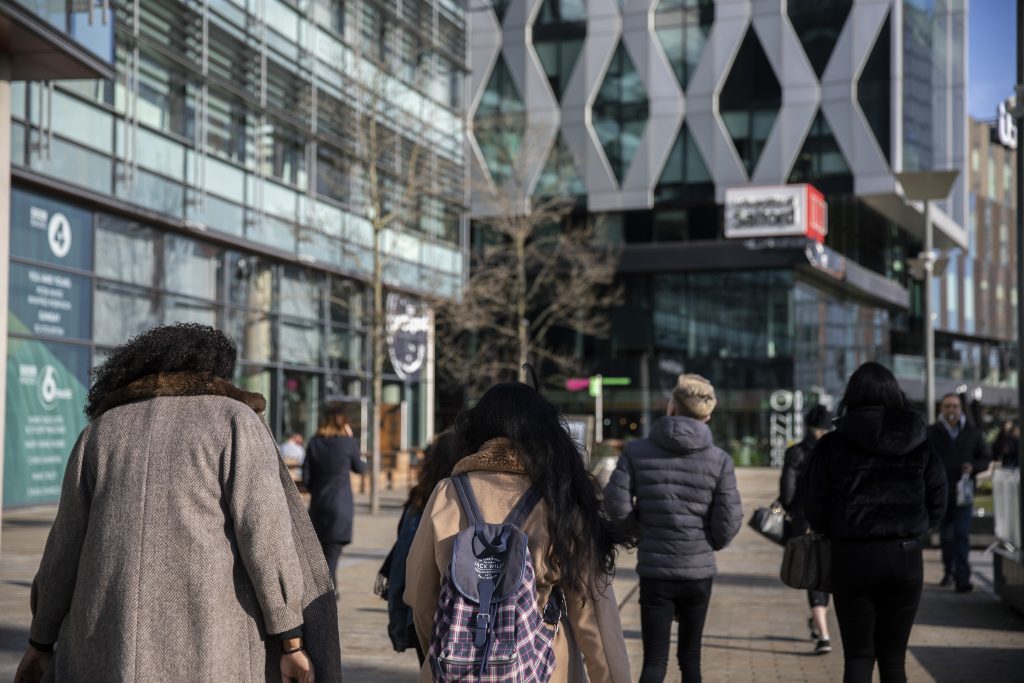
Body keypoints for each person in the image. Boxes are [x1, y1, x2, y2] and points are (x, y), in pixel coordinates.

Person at [13, 323, 340, 683]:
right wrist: (291, 640)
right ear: (213, 372)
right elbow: (266, 540)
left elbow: (62, 550)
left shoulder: (100, 431)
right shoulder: (234, 421)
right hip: (211, 649)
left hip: (103, 649)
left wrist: (39, 642)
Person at [404, 382, 633, 683]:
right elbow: (592, 618)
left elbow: (422, 595)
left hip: (457, 669)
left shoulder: (447, 493)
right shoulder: (559, 499)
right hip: (542, 666)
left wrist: (452, 649)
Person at [803, 362, 947, 683]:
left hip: (851, 556)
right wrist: (916, 526)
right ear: (895, 393)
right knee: (894, 659)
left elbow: (813, 503)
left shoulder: (832, 444)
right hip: (905, 555)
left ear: (851, 396)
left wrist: (834, 530)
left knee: (858, 655)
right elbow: (939, 499)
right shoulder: (920, 441)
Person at [604, 373, 743, 683]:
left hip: (656, 571)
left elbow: (615, 502)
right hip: (698, 571)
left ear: (672, 406)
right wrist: (709, 543)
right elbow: (730, 518)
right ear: (708, 414)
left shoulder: (637, 451)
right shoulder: (719, 460)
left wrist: (636, 531)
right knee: (691, 659)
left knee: (654, 661)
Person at [379, 429, 466, 664]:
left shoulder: (417, 501)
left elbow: (403, 564)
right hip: (451, 616)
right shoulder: (458, 503)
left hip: (418, 615)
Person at [779, 404, 835, 655]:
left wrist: (791, 508)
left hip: (804, 520)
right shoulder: (836, 452)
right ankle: (819, 622)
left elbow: (787, 491)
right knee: (828, 573)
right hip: (834, 521)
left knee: (812, 572)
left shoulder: (796, 453)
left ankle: (823, 634)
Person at [927, 393, 992, 592]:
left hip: (964, 494)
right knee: (947, 537)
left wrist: (973, 466)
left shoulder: (972, 432)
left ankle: (963, 578)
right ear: (942, 409)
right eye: (947, 406)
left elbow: (985, 458)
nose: (951, 410)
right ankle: (949, 570)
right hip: (942, 493)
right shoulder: (932, 432)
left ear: (960, 409)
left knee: (961, 535)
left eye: (955, 406)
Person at [303, 405, 366, 587]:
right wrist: (350, 438)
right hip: (340, 505)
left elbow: (306, 479)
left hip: (319, 504)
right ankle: (328, 591)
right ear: (344, 424)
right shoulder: (347, 443)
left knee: (323, 552)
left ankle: (330, 589)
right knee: (332, 552)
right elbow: (360, 468)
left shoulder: (314, 442)